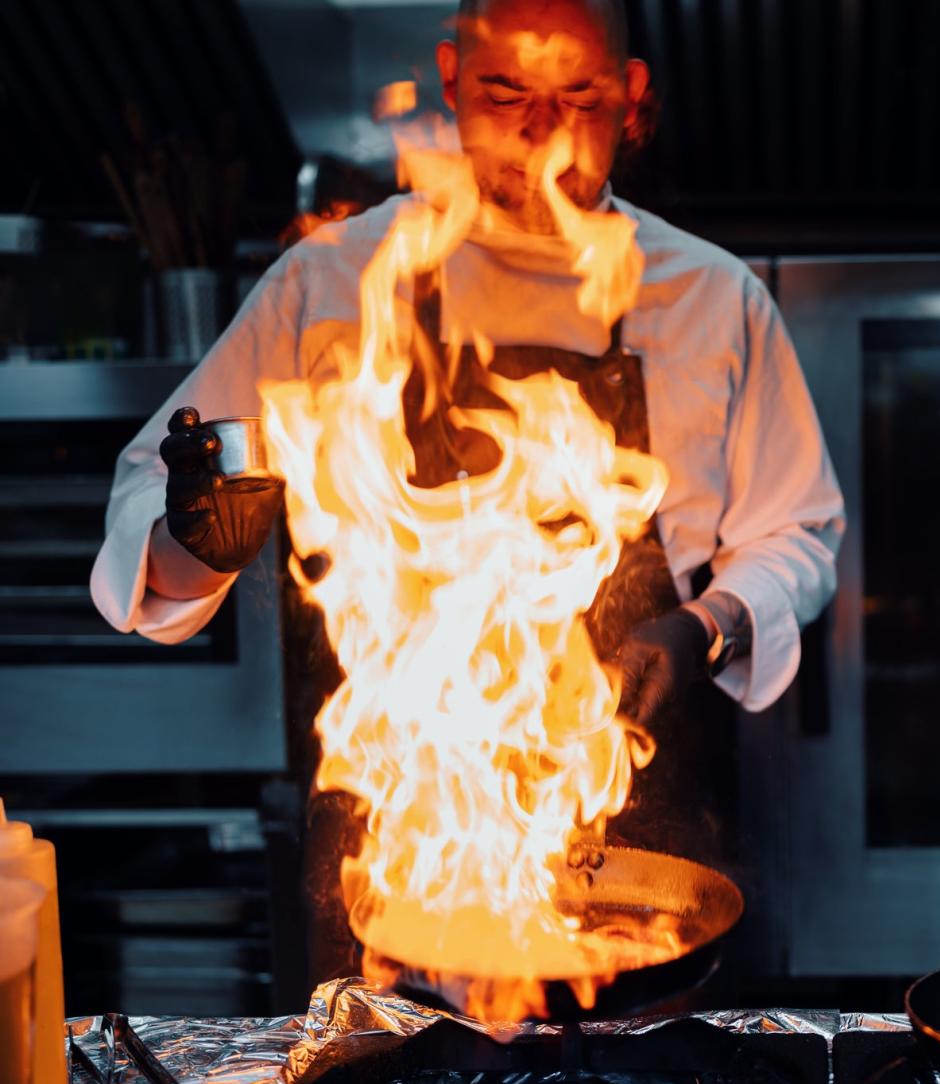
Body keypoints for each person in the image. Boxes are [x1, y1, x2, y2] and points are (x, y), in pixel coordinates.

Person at [91, 0, 844, 983]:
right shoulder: (333, 281)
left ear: (632, 97)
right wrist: (202, 537)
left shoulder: (712, 297)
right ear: (450, 79)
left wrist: (706, 628)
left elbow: (800, 532)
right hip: (390, 841)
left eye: (578, 97)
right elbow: (155, 525)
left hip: (632, 836)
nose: (541, 133)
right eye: (504, 94)